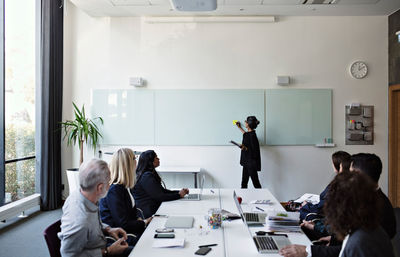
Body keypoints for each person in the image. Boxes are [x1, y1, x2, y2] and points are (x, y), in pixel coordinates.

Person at [279, 153, 396, 257]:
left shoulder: (373, 210)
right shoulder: (369, 202)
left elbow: (354, 246)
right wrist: (333, 239)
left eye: (349, 172)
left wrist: (308, 251)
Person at [58, 159, 130, 257]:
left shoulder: (83, 195)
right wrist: (107, 251)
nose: (110, 185)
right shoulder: (80, 221)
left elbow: (92, 223)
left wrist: (108, 229)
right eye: (109, 182)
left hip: (101, 244)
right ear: (100, 188)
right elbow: (68, 255)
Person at [100, 148, 152, 245]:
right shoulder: (114, 190)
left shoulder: (124, 187)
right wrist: (144, 222)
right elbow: (123, 224)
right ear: (128, 164)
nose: (136, 161)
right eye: (134, 158)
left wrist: (140, 220)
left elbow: (128, 216)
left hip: (129, 232)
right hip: (121, 237)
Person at [132, 150, 189, 218]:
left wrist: (179, 192)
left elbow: (162, 191)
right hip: (149, 213)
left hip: (152, 208)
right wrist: (179, 195)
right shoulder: (146, 176)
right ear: (151, 162)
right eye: (156, 157)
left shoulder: (148, 173)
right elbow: (160, 196)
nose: (158, 159)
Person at [236, 116, 262, 188]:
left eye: (246, 121)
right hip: (246, 163)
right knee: (244, 183)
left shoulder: (253, 136)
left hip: (251, 164)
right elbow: (245, 134)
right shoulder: (249, 134)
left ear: (248, 124)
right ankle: (243, 198)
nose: (245, 122)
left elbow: (254, 151)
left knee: (256, 183)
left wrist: (244, 148)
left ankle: (262, 197)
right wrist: (239, 127)